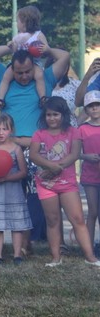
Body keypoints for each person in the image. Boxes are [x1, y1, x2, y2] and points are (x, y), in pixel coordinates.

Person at [0, 44, 72, 250]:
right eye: (18, 72)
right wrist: (10, 47)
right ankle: (22, 245)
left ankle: (43, 242)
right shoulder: (4, 80)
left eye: (27, 72)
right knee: (16, 197)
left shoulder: (46, 79)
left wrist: (45, 49)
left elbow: (65, 56)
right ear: (11, 70)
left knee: (39, 197)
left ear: (35, 69)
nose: (23, 76)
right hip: (10, 149)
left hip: (37, 149)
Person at [29, 97, 100, 267]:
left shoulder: (73, 132)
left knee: (77, 219)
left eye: (56, 114)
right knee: (52, 220)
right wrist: (49, 166)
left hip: (67, 183)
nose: (52, 118)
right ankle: (55, 258)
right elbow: (34, 154)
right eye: (49, 115)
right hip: (46, 184)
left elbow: (74, 154)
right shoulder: (39, 134)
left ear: (63, 115)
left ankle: (90, 257)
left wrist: (55, 168)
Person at [0, 113, 31, 265]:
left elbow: (23, 171)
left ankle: (17, 255)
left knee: (16, 225)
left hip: (14, 192)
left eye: (5, 129)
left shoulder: (16, 149)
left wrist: (6, 178)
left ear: (11, 130)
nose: (1, 132)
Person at [0, 6, 48, 111]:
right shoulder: (19, 36)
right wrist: (11, 45)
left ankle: (42, 98)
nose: (17, 23)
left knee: (39, 76)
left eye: (18, 21)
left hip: (34, 62)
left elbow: (45, 48)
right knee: (6, 77)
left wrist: (45, 48)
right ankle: (0, 100)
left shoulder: (38, 35)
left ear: (25, 22)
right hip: (17, 63)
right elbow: (14, 48)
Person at [78, 91, 100, 250]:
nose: (94, 109)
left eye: (97, 105)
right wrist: (86, 156)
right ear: (86, 110)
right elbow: (75, 153)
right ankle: (89, 247)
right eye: (90, 106)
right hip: (90, 176)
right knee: (92, 212)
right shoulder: (82, 129)